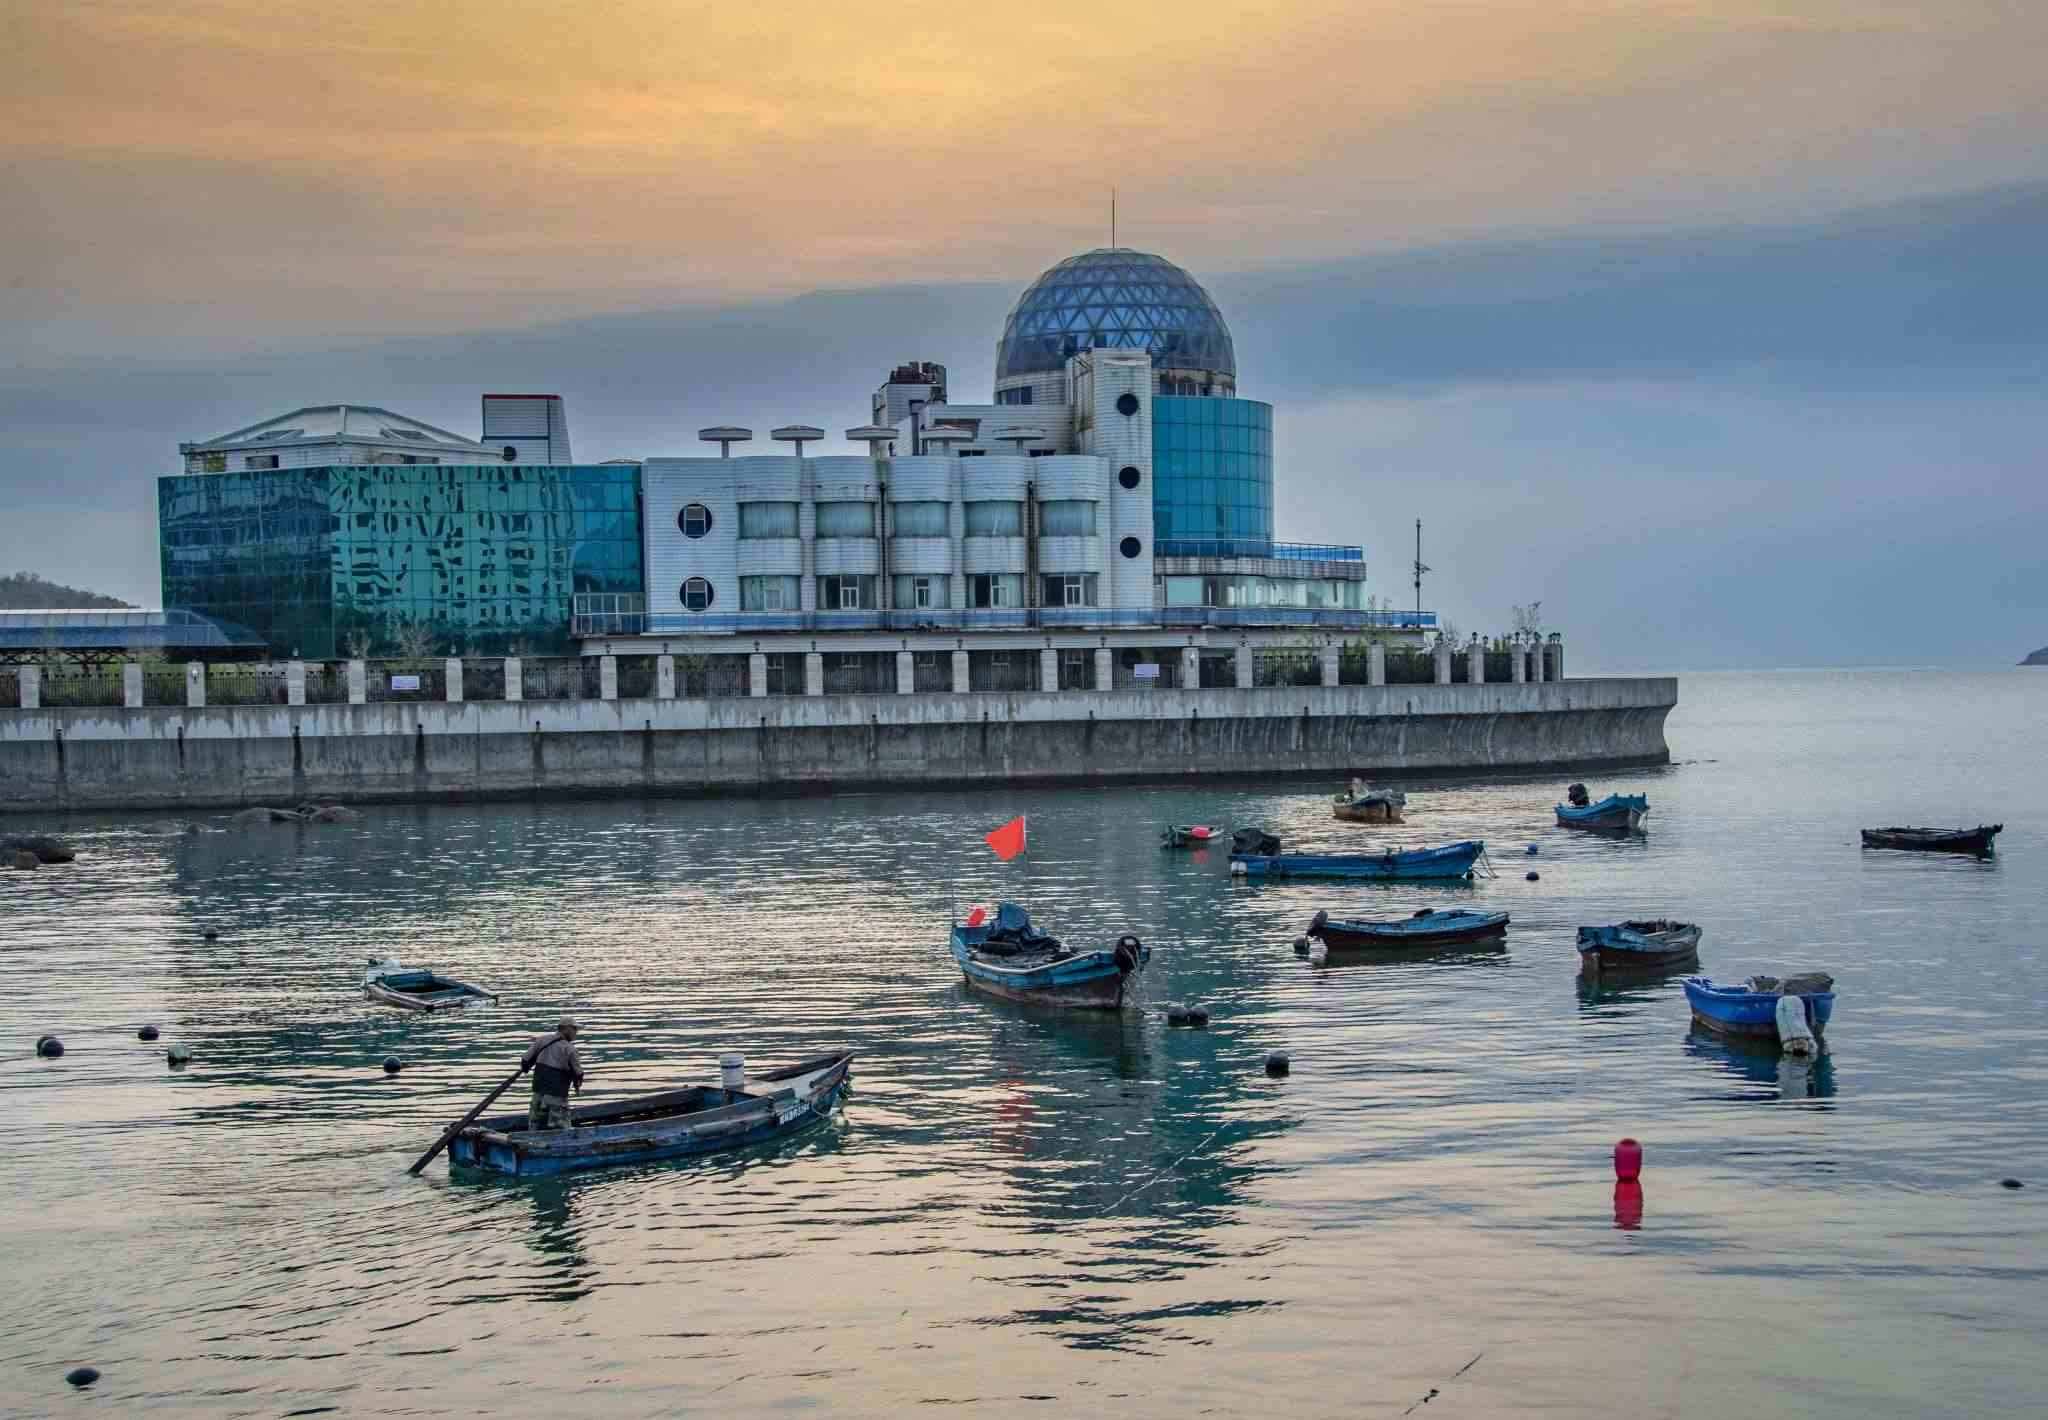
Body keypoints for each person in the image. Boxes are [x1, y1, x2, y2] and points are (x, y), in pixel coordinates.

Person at [521, 1018, 585, 1132]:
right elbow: (578, 1073)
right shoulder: (569, 1049)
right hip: (556, 1096)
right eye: (574, 1029)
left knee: (535, 1125)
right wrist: (577, 1086)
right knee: (561, 1127)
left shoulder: (541, 1040)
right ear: (566, 1029)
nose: (576, 1032)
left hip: (538, 1093)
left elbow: (525, 1062)